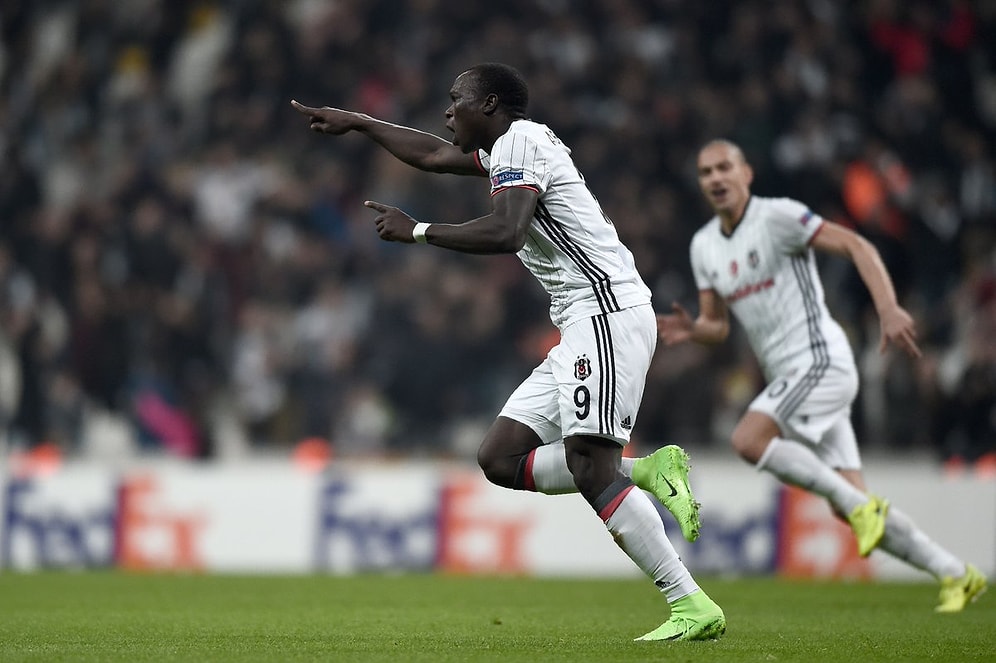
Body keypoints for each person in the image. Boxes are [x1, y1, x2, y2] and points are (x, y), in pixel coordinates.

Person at [291, 63, 726, 641]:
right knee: (500, 457)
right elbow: (431, 154)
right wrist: (360, 123)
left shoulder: (520, 141)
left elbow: (507, 233)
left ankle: (690, 603)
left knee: (590, 468)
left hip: (605, 314)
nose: (448, 111)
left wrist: (419, 231)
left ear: (490, 104)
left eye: (457, 100)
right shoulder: (507, 150)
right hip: (583, 323)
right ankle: (645, 470)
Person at [656, 138, 987, 613]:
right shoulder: (704, 246)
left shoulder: (779, 217)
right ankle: (956, 573)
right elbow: (718, 325)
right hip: (788, 379)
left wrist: (889, 307)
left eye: (724, 167)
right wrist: (696, 329)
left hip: (820, 359)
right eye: (706, 172)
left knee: (747, 439)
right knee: (848, 500)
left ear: (746, 173)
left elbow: (854, 244)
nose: (715, 178)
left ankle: (860, 508)